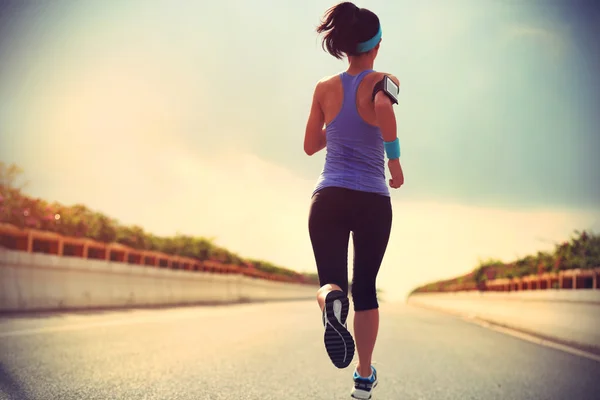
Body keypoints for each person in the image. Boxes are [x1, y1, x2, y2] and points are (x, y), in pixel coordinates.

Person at [303, 2, 404, 399]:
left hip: (328, 197)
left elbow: (311, 145)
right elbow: (382, 107)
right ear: (376, 46)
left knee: (332, 282)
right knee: (365, 289)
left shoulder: (323, 88)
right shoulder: (386, 79)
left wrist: (338, 125)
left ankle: (330, 300)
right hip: (372, 201)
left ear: (345, 46)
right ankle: (363, 376)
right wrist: (394, 162)